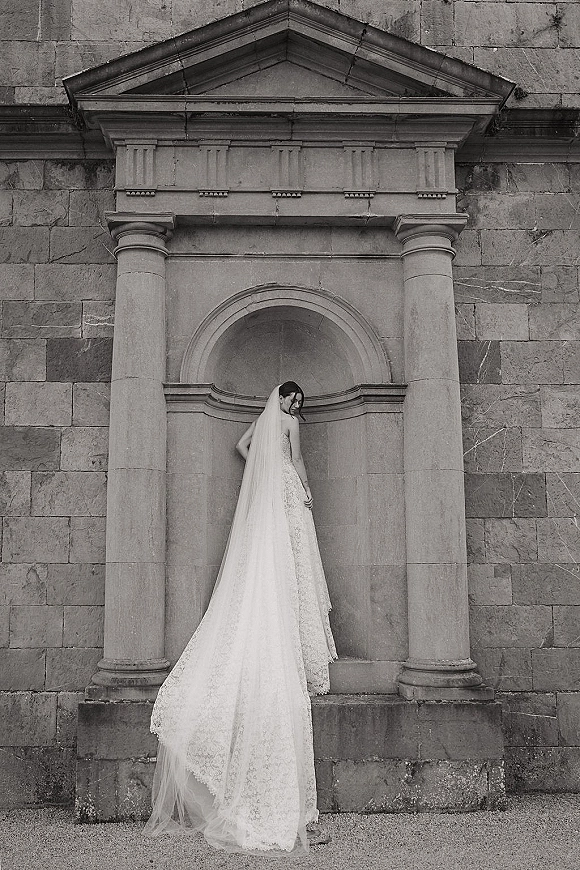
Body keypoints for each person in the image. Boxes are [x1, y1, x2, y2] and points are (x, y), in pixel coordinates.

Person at [143, 382, 337, 856]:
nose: (295, 407)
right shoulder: (289, 425)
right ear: (289, 401)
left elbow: (241, 446)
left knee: (268, 558)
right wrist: (305, 487)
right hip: (286, 491)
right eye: (295, 400)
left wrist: (261, 470)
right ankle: (289, 622)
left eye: (296, 402)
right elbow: (299, 460)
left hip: (268, 493)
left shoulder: (264, 424)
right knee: (293, 555)